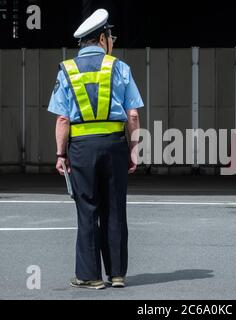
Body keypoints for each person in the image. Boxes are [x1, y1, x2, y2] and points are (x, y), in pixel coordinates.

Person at [47, 8, 144, 290]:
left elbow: (62, 118)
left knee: (87, 208)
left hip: (81, 150)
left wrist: (60, 154)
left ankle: (90, 276)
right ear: (102, 38)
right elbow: (134, 115)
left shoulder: (67, 69)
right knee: (115, 208)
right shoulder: (120, 67)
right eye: (111, 35)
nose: (112, 39)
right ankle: (117, 274)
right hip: (114, 146)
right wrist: (133, 148)